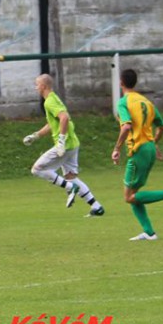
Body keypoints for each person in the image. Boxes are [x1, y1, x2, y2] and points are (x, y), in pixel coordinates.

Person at [111, 69, 163, 241]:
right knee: (134, 195)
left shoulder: (123, 102)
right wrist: (154, 144)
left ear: (121, 83)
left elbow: (126, 126)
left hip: (138, 151)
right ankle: (149, 233)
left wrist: (117, 148)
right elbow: (162, 126)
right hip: (149, 148)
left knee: (128, 197)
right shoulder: (146, 102)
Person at [23, 74, 104, 217]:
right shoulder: (53, 98)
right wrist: (36, 136)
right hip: (72, 143)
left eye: (37, 85)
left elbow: (64, 118)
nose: (36, 88)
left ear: (43, 86)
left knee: (37, 169)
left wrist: (61, 141)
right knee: (71, 176)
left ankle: (70, 187)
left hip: (65, 145)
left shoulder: (49, 102)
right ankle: (96, 207)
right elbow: (53, 123)